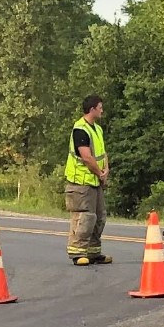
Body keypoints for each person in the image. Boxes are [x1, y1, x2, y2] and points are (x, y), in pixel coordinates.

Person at [64, 94, 112, 266]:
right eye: (100, 107)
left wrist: (105, 170)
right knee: (84, 217)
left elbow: (102, 153)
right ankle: (77, 252)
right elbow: (86, 157)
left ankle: (93, 252)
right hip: (81, 182)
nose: (102, 110)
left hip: (95, 180)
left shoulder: (97, 129)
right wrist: (100, 173)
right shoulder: (80, 129)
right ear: (92, 109)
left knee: (99, 217)